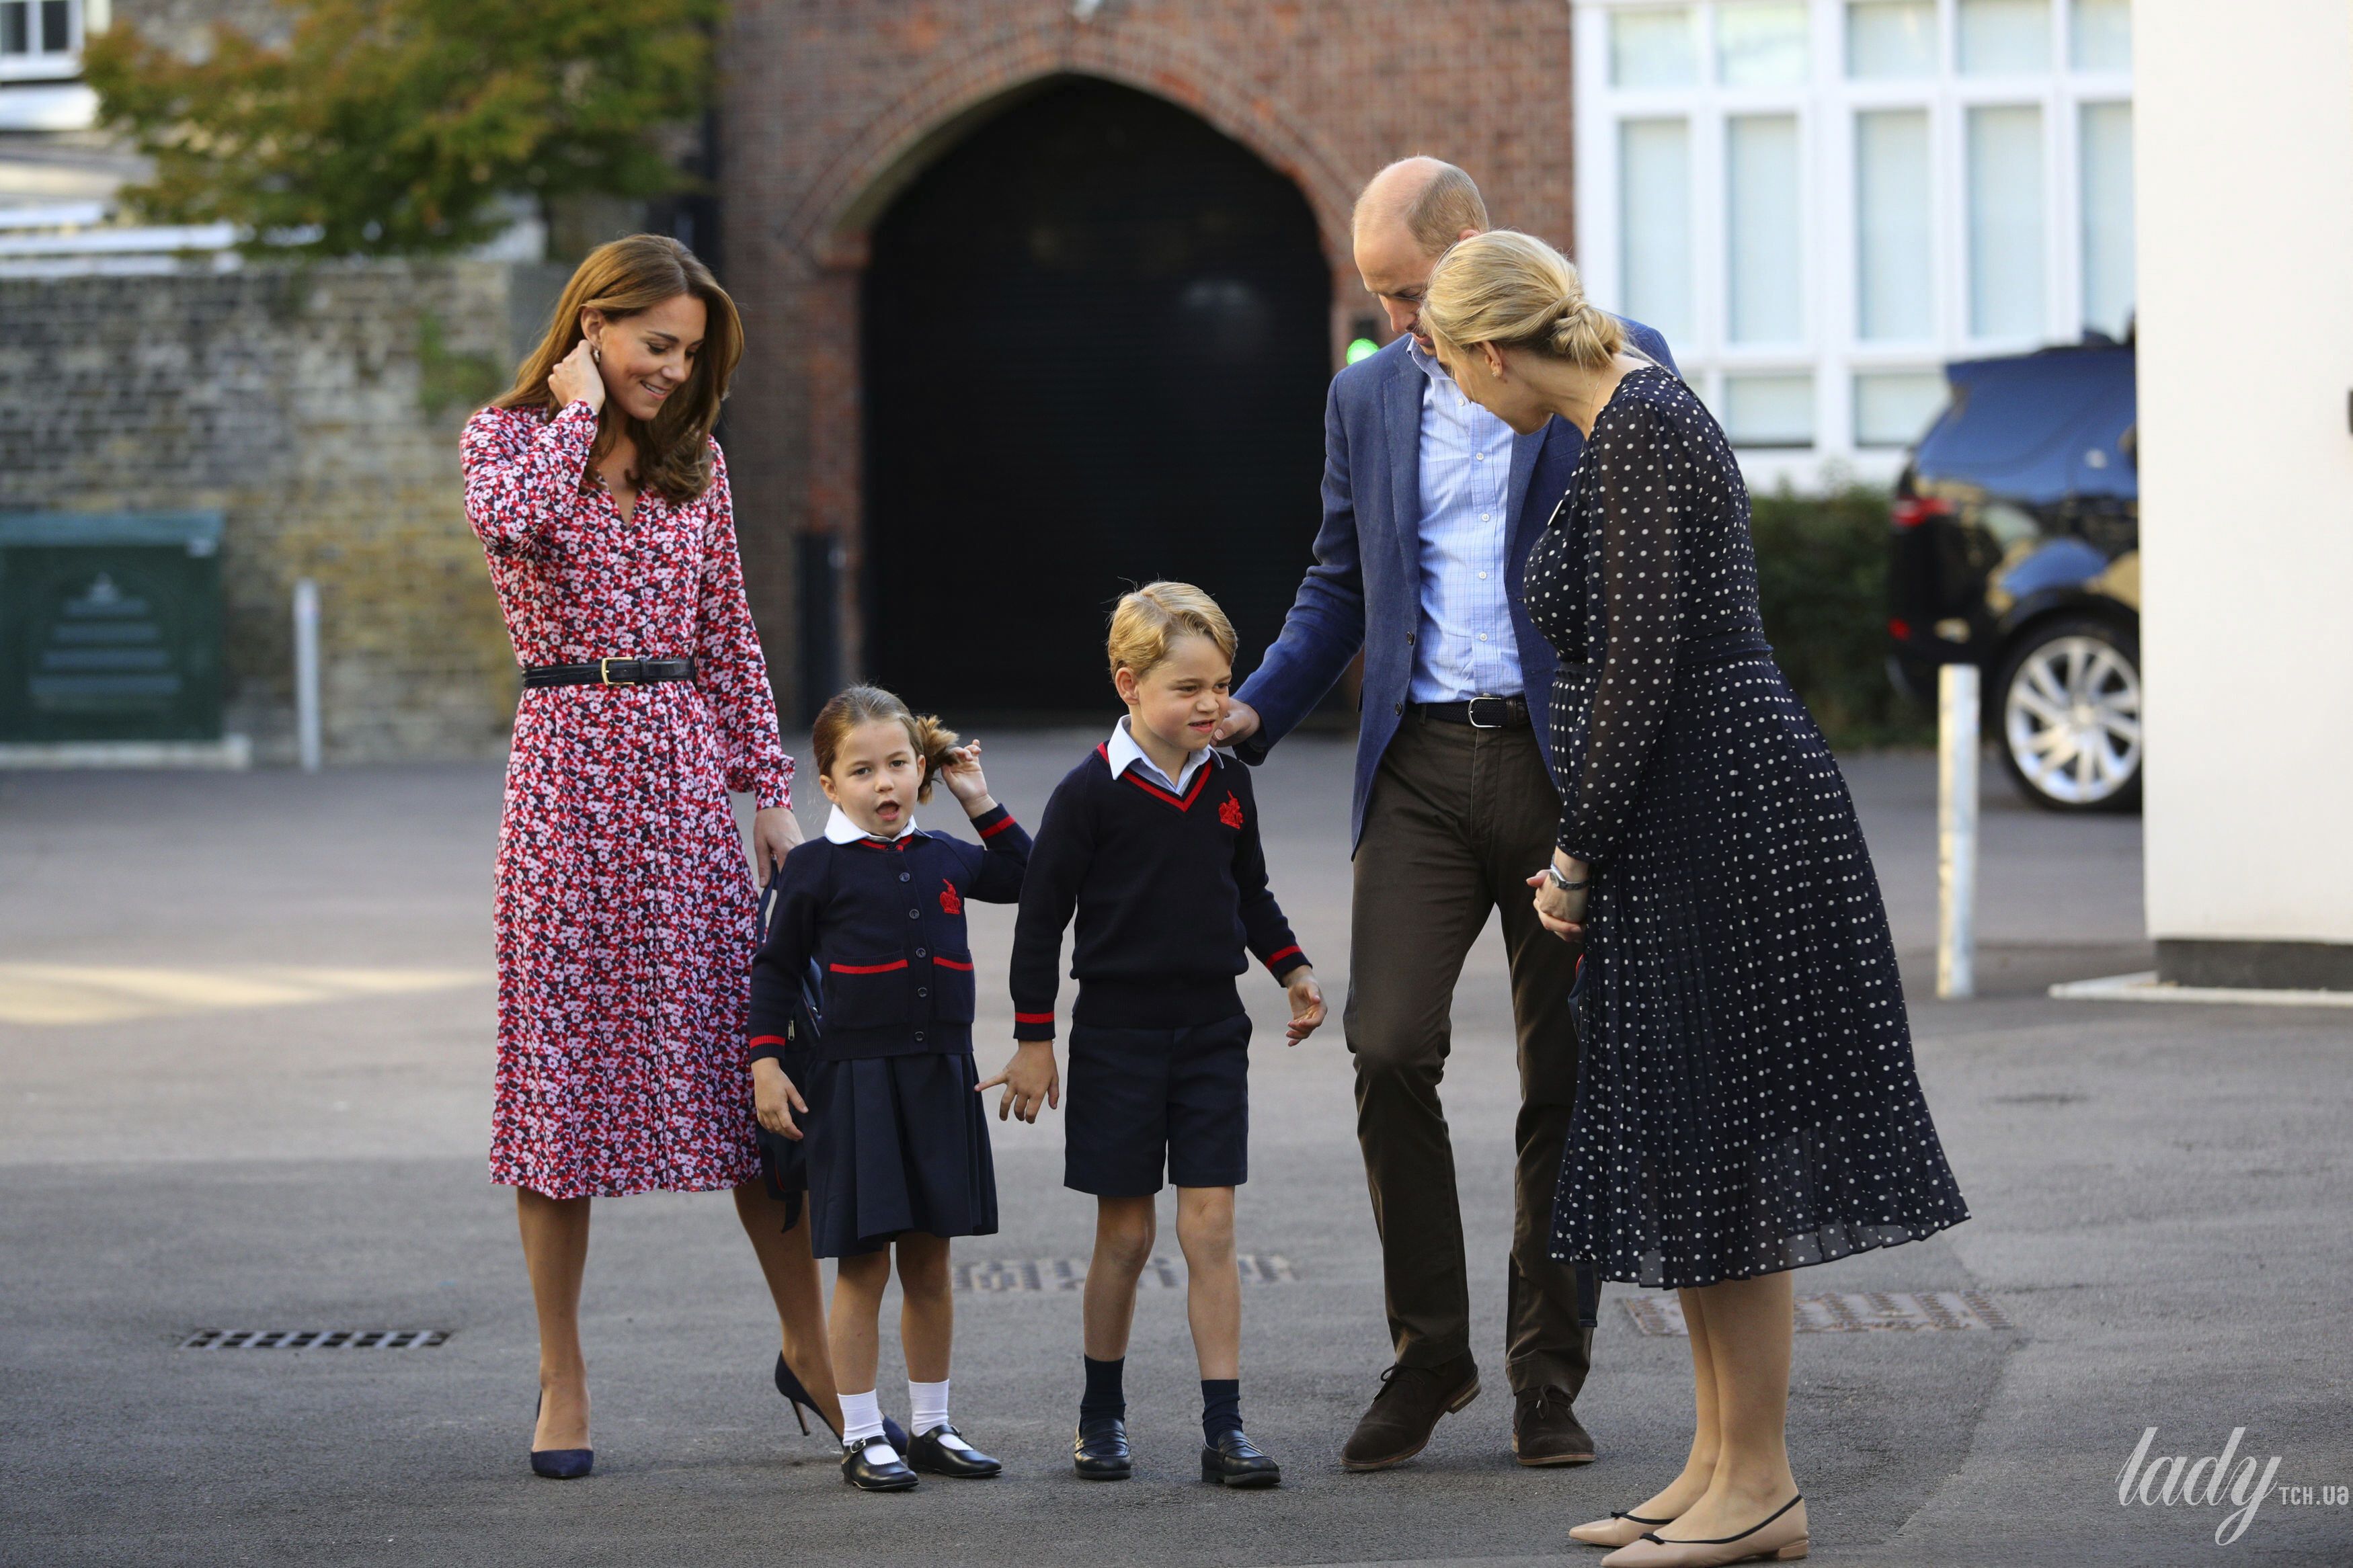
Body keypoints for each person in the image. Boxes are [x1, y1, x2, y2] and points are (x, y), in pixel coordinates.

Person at [1421, 229, 1972, 1567]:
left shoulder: (1645, 422)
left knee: (1726, 1139)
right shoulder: (1624, 418)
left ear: (1492, 348)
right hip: (1691, 807)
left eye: (1445, 362)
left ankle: (1762, 1483)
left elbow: (1638, 667)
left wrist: (1572, 854)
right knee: (1697, 1140)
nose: (1452, 388)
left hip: (1721, 808)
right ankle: (1720, 1463)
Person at [1211, 157, 1675, 1471]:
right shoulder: (1364, 390)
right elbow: (1335, 577)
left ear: (1474, 246)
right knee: (1388, 1040)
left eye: (1408, 290)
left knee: (1565, 1069)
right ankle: (1431, 1353)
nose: (1395, 318)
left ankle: (1547, 1370)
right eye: (1375, 295)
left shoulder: (1612, 362)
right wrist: (1255, 707)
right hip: (1415, 761)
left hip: (1559, 765)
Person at [461, 234, 843, 1478]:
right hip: (567, 773)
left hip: (680, 777)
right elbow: (511, 530)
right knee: (557, 1085)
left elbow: (729, 629)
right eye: (653, 344)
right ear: (591, 328)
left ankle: (811, 1348)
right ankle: (562, 1374)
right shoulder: (508, 439)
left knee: (751, 1072)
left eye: (690, 352)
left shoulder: (701, 466)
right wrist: (573, 418)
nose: (673, 372)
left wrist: (767, 791)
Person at [990, 583, 1328, 1489]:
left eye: (1221, 683)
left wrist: (1291, 967)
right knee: (1128, 1236)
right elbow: (1039, 920)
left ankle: (1227, 1428)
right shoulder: (1086, 794)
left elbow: (1248, 890)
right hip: (1117, 1037)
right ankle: (1101, 1414)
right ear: (1129, 684)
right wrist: (1034, 1039)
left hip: (1214, 1031)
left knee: (1211, 1227)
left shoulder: (1228, 783)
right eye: (1190, 687)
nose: (1213, 703)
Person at [748, 686, 1029, 1491]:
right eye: (861, 769)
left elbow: (1027, 874)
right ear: (828, 784)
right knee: (864, 1266)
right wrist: (766, 1062)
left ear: (921, 769)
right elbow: (771, 972)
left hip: (940, 1078)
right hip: (855, 1087)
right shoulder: (812, 868)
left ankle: (935, 1424)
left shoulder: (944, 853)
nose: (884, 784)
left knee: (932, 1263)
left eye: (899, 764)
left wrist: (977, 795)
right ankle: (864, 1430)